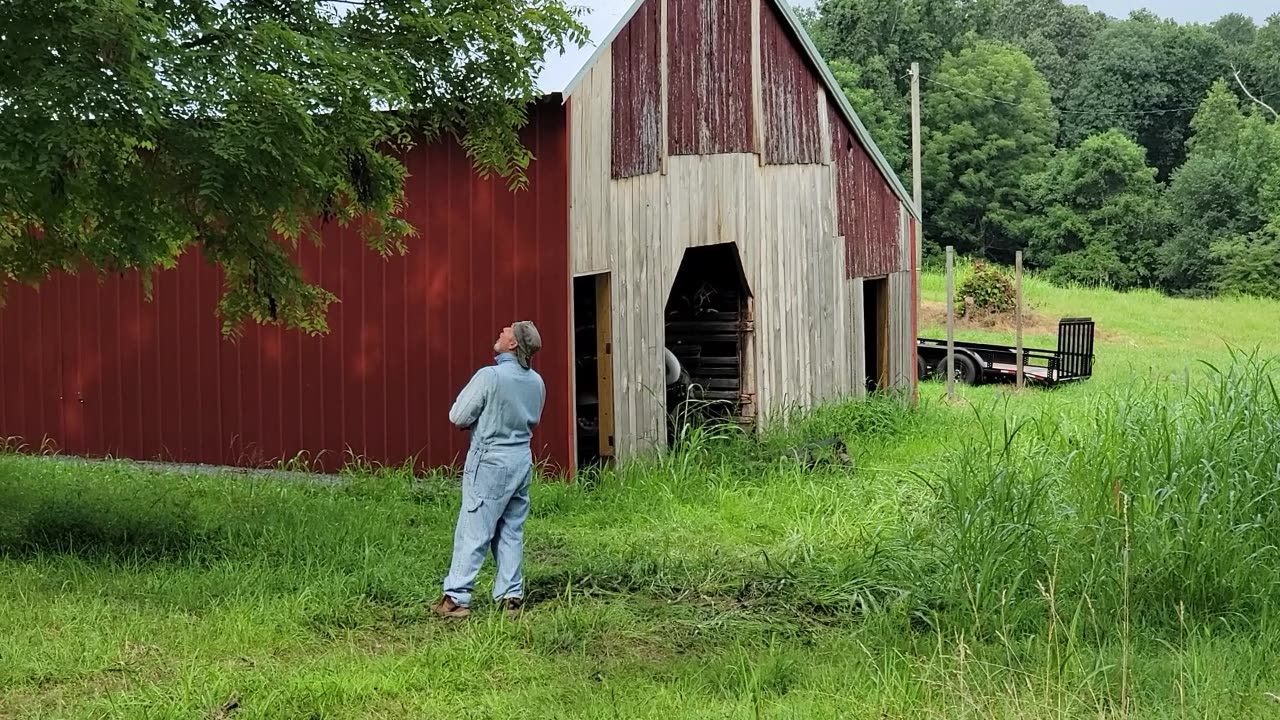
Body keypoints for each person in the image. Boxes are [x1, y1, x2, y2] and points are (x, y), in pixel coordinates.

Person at [433, 321, 545, 620]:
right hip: (521, 458)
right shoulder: (536, 381)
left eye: (509, 331)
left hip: (490, 460)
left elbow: (458, 416)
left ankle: (456, 598)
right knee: (510, 529)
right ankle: (511, 596)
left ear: (513, 345)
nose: (503, 330)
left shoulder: (489, 376)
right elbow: (532, 420)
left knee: (474, 527)